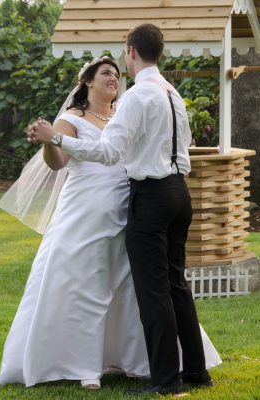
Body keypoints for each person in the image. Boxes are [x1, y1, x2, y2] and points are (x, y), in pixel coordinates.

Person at [28, 24, 222, 396]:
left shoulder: (136, 96)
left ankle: (167, 379)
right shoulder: (172, 94)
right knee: (177, 285)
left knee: (153, 292)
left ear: (131, 50)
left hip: (151, 196)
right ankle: (197, 371)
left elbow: (108, 152)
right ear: (159, 52)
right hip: (180, 193)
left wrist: (55, 136)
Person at [0, 57, 153, 388]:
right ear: (88, 83)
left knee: (126, 286)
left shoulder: (123, 113)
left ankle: (131, 359)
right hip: (84, 212)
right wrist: (49, 141)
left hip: (125, 209)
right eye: (106, 74)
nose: (114, 79)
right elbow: (58, 162)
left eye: (117, 75)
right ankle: (84, 367)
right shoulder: (72, 118)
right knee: (83, 287)